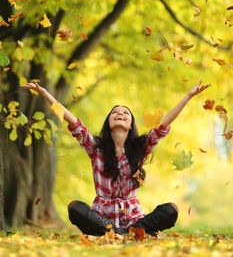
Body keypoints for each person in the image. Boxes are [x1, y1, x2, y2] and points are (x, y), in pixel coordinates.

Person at [22, 81, 210, 236]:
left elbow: (164, 125)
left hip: (134, 221)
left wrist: (188, 96)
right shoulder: (95, 147)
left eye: (125, 113)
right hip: (102, 221)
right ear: (109, 122)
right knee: (74, 207)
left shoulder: (140, 148)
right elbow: (72, 122)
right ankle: (116, 232)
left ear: (130, 125)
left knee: (171, 210)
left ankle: (132, 232)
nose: (120, 113)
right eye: (115, 112)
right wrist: (46, 94)